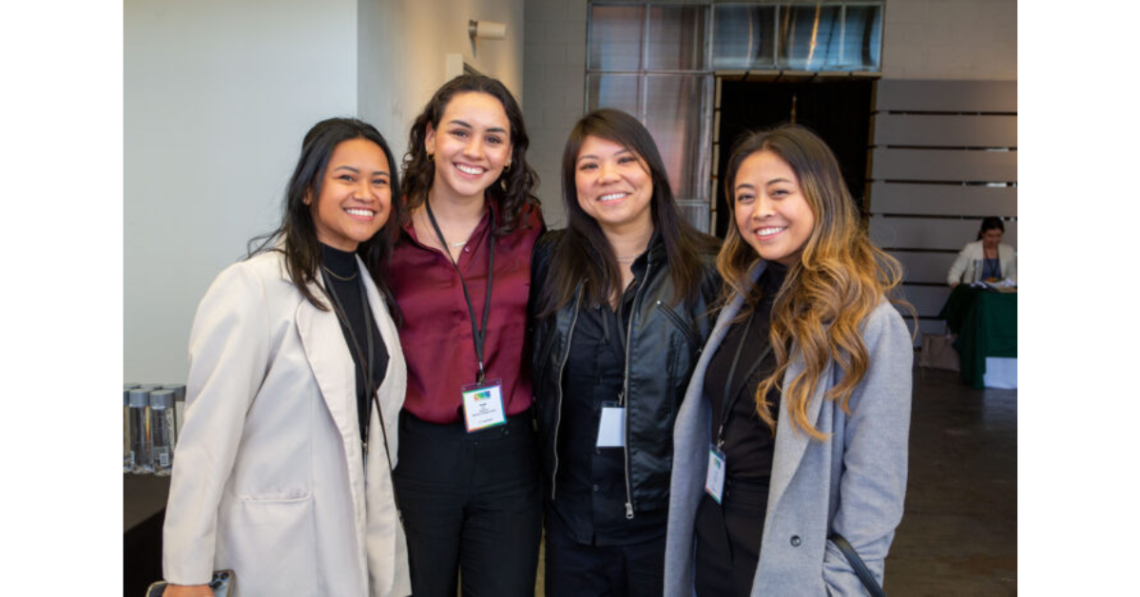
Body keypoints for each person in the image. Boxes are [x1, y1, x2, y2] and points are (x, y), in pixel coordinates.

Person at [162, 118, 410, 597]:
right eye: (346, 177)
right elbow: (206, 439)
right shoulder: (253, 288)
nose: (367, 192)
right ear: (307, 192)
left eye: (380, 181)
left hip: (353, 531)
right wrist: (186, 573)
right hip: (272, 548)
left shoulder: (369, 289)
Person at [663, 124, 914, 596]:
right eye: (744, 196)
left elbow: (875, 487)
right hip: (714, 542)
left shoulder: (868, 323)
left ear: (822, 198)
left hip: (787, 562)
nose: (760, 211)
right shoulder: (741, 297)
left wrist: (838, 587)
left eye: (780, 192)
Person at [530, 108, 721, 597]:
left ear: (653, 173)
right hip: (573, 521)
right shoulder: (549, 260)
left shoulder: (708, 270)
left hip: (664, 524)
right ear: (574, 184)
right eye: (589, 165)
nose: (607, 177)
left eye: (624, 160)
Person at [388, 74, 544, 597]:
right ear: (430, 138)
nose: (474, 150)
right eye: (459, 132)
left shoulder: (527, 227)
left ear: (508, 154)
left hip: (509, 450)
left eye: (493, 138)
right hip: (419, 454)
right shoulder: (387, 235)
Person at [947, 216, 1017, 287]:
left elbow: (1013, 276)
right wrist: (956, 286)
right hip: (974, 295)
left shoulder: (1008, 250)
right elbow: (954, 272)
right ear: (982, 234)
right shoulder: (971, 249)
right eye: (990, 236)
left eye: (998, 236)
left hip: (999, 295)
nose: (994, 240)